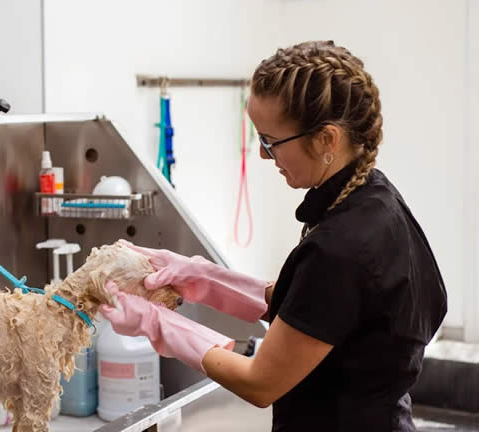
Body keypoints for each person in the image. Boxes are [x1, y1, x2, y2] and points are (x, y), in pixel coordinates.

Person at [100, 40, 447, 431]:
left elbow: (259, 382)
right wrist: (198, 277)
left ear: (327, 139)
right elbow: (312, 304)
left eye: (270, 141)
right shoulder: (373, 198)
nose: (265, 156)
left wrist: (157, 322)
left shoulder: (344, 247)